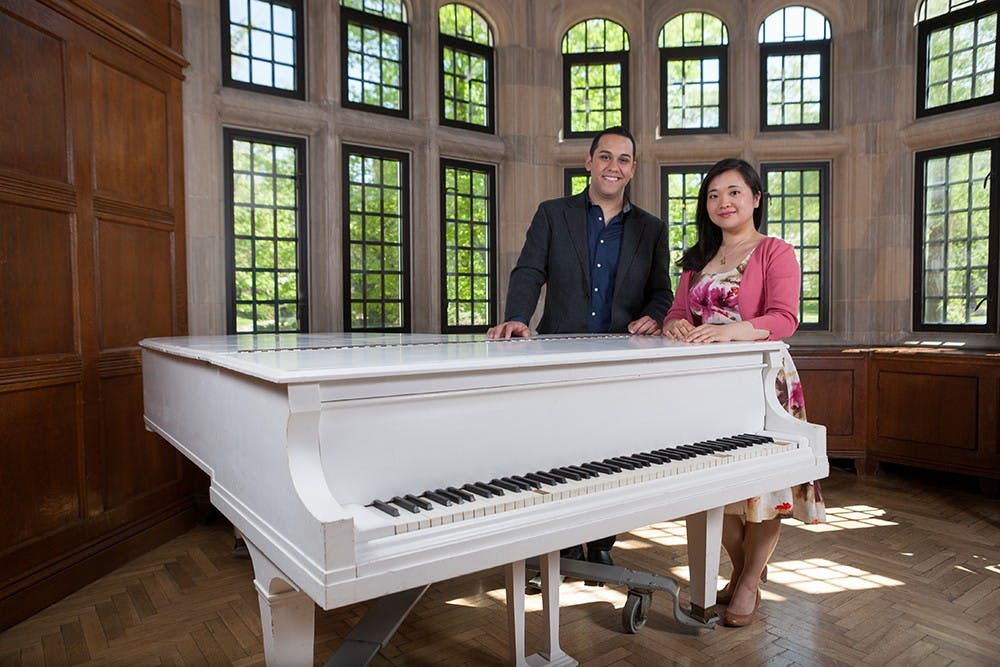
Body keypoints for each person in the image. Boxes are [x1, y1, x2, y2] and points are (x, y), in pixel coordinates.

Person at [487, 126, 673, 568]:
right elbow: (529, 270)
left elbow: (661, 291)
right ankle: (561, 542)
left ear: (633, 169)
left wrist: (656, 314)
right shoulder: (553, 214)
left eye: (623, 159)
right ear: (589, 163)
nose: (614, 166)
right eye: (605, 157)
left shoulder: (652, 228)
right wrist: (517, 317)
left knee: (612, 452)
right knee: (557, 452)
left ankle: (602, 543)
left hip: (620, 358)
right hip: (558, 352)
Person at [661, 158, 825, 627]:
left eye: (733, 192)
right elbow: (678, 311)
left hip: (760, 381)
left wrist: (730, 332)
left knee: (762, 490)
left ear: (755, 198)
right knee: (715, 488)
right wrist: (675, 323)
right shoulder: (697, 259)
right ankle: (744, 567)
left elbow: (784, 318)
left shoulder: (775, 252)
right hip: (704, 388)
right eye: (713, 195)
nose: (723, 202)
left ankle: (749, 581)